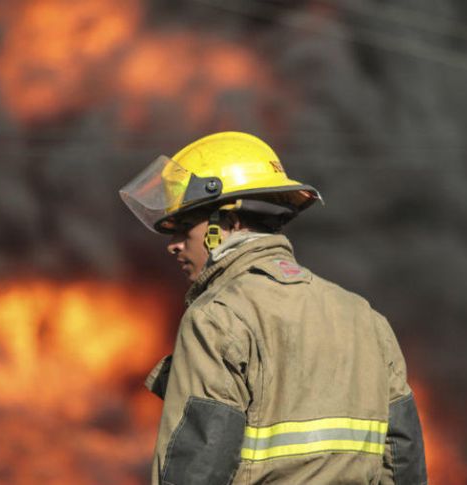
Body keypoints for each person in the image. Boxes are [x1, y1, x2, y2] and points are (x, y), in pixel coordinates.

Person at [119, 131, 427, 485]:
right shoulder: (365, 318)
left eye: (184, 227)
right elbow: (403, 464)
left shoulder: (217, 318)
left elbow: (197, 468)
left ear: (228, 223)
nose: (173, 245)